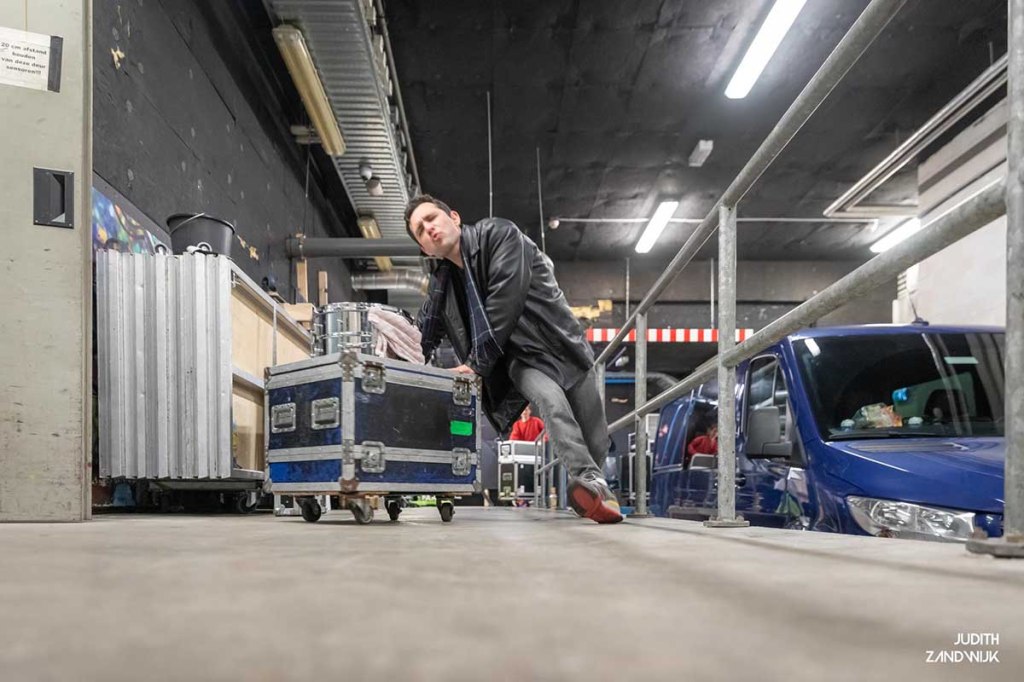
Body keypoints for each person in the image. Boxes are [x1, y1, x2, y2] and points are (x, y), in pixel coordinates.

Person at [406, 194, 622, 523]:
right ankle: (592, 483)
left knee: (596, 439)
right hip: (520, 359)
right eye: (420, 230)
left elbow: (505, 303)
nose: (429, 229)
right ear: (424, 249)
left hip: (560, 344)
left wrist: (475, 364)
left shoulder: (500, 235)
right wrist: (389, 350)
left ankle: (591, 489)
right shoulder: (442, 287)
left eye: (431, 218)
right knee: (551, 403)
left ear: (454, 217)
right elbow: (421, 334)